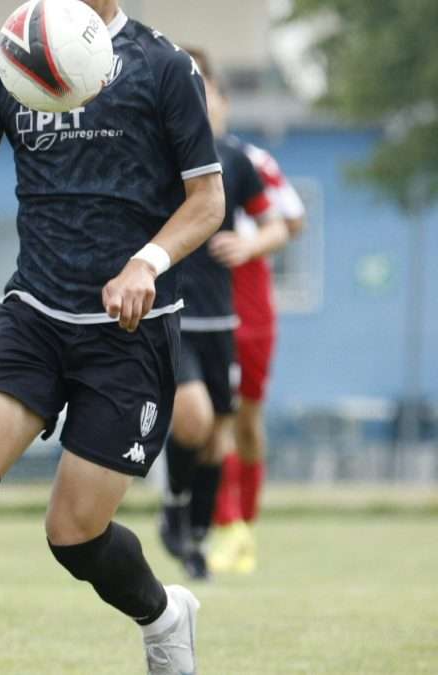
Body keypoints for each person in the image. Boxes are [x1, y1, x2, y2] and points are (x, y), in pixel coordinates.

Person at [0, 2, 225, 673]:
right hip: (34, 310)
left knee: (73, 534)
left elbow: (206, 201)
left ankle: (165, 613)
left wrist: (146, 261)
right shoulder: (6, 64)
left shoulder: (164, 67)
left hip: (128, 333)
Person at [157, 48, 288, 580]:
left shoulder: (234, 159)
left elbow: (275, 224)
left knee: (219, 437)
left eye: (202, 87)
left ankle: (197, 537)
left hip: (223, 320)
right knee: (194, 418)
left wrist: (251, 245)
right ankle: (174, 502)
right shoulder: (156, 153)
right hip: (174, 313)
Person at [209, 143, 307, 575]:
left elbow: (293, 221)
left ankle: (246, 524)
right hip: (202, 300)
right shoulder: (170, 149)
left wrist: (249, 242)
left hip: (251, 303)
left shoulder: (252, 160)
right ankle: (226, 527)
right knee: (216, 418)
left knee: (247, 420)